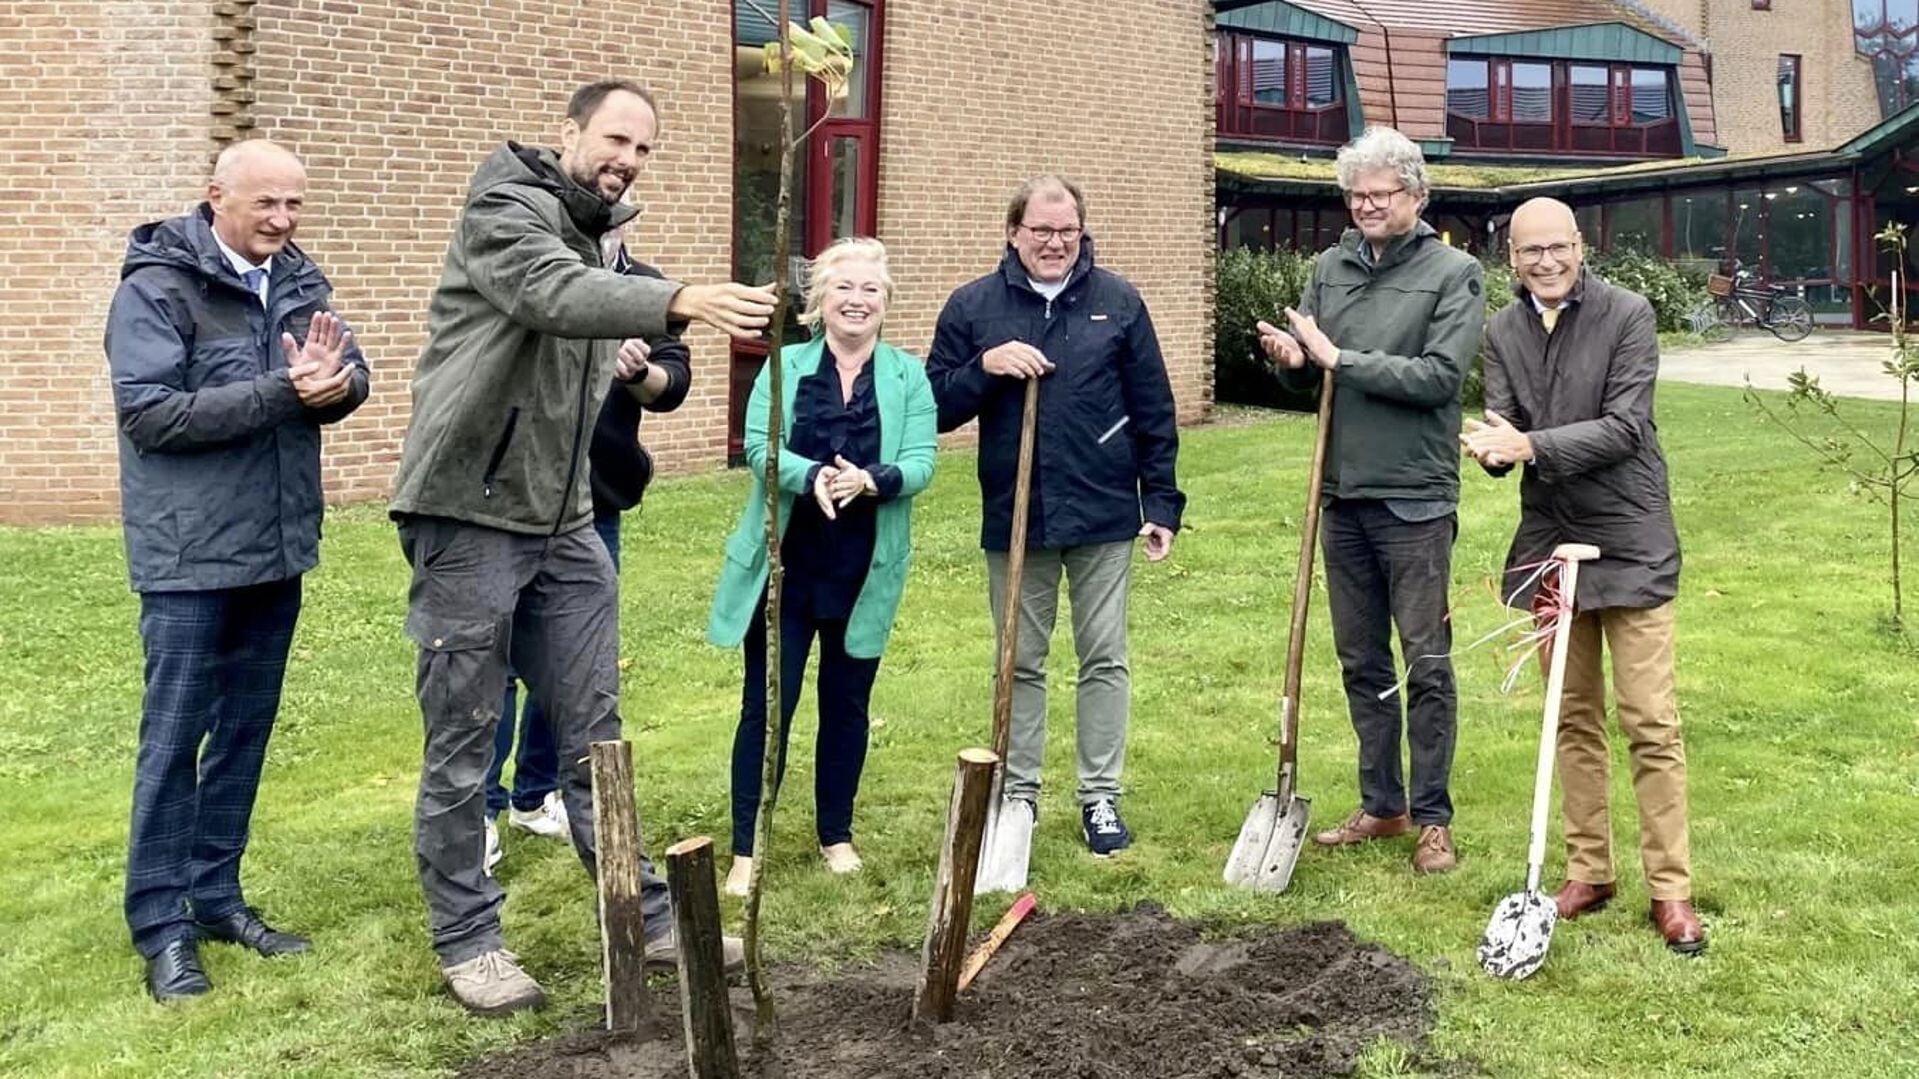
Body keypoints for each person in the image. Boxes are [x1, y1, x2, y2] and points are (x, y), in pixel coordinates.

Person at [389, 79, 771, 1015]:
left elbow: (622, 330)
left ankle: (638, 911)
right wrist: (674, 297)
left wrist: (660, 338)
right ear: (569, 132)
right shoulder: (504, 210)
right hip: (470, 513)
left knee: (594, 729)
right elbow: (552, 293)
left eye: (644, 149)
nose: (628, 159)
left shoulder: (602, 231)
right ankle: (469, 938)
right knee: (465, 734)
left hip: (564, 524)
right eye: (615, 139)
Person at [105, 139, 370, 1001]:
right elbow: (150, 415)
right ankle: (160, 924)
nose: (285, 222)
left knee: (244, 736)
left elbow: (345, 369)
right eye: (269, 205)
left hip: (274, 550)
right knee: (175, 740)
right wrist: (284, 394)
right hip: (187, 560)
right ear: (215, 196)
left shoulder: (295, 278)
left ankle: (216, 897)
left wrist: (340, 386)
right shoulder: (156, 288)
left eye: (296, 204)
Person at [1461, 196, 1704, 954]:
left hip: (1629, 534)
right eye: (1529, 251)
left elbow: (1627, 426)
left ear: (1578, 246)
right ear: (1511, 259)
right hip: (1549, 538)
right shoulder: (1500, 329)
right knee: (1569, 715)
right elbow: (1508, 427)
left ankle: (1671, 888)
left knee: (1649, 722)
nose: (1545, 262)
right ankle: (1587, 870)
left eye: (1557, 247)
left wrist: (1529, 444)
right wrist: (1498, 451)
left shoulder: (1627, 314)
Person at [927, 175, 1185, 856]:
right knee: (1020, 660)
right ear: (1013, 231)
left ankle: (1100, 796)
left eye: (1066, 230)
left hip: (1102, 509)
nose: (1054, 242)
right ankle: (1017, 796)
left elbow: (1153, 408)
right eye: (1040, 230)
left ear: (1081, 231)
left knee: (1104, 657)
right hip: (1016, 511)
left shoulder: (1117, 302)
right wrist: (985, 365)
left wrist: (1159, 500)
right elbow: (933, 404)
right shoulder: (974, 305)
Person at [1258, 126, 1483, 874]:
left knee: (1424, 661)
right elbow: (1315, 378)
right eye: (1354, 196)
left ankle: (1433, 817)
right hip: (1342, 493)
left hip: (1414, 495)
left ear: (1416, 196)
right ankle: (1382, 804)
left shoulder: (1454, 273)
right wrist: (1294, 361)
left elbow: (1437, 378)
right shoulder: (1329, 268)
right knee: (1360, 659)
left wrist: (1338, 357)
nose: (1365, 207)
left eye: (1379, 196)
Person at [708, 237, 936, 896]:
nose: (856, 301)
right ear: (819, 300)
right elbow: (757, 447)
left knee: (847, 707)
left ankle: (835, 833)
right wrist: (811, 477)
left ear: (884, 302)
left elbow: (923, 461)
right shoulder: (783, 366)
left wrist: (870, 479)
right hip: (785, 569)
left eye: (870, 290)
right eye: (843, 288)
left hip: (863, 569)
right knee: (767, 707)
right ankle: (748, 849)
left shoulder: (906, 375)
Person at [482, 247, 694, 872]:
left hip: (593, 505)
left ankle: (534, 793)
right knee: (495, 664)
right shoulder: (530, 269)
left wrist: (637, 374)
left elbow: (672, 384)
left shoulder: (646, 288)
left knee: (575, 667)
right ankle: (482, 812)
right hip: (509, 504)